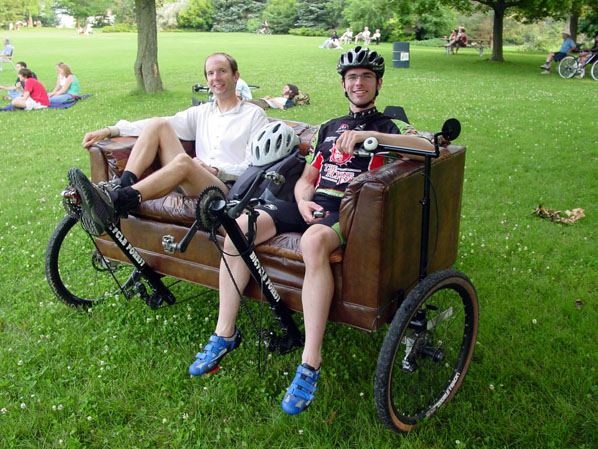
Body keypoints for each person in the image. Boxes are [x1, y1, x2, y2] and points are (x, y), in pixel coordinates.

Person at [188, 46, 434, 415]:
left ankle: (310, 362)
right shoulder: (330, 128)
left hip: (346, 215)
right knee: (238, 228)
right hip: (311, 205)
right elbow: (307, 178)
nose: (359, 83)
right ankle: (225, 334)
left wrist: (374, 137)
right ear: (343, 85)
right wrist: (302, 201)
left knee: (314, 239)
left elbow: (427, 148)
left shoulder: (387, 127)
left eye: (367, 76)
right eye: (352, 77)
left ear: (378, 83)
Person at [67, 53, 269, 237]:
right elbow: (155, 124)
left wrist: (216, 170)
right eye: (210, 73)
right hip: (191, 178)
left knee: (183, 161)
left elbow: (254, 167)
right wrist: (111, 130)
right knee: (158, 123)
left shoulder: (253, 115)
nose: (216, 78)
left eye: (222, 71)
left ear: (236, 76)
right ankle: (120, 186)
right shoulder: (202, 112)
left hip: (225, 188)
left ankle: (118, 201)